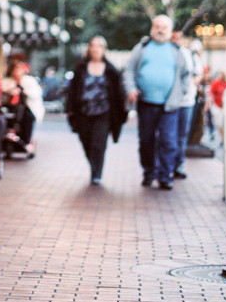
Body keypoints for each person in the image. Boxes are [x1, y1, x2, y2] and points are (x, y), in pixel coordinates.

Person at [124, 14, 191, 190]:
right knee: (146, 140)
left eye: (164, 27)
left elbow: (186, 76)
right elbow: (129, 69)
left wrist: (180, 92)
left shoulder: (176, 51)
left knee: (169, 141)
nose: (160, 30)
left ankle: (165, 175)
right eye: (157, 26)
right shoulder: (142, 48)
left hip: (170, 105)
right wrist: (131, 88)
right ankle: (149, 172)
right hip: (146, 102)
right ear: (152, 28)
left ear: (170, 31)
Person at [66, 35, 127, 185]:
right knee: (86, 141)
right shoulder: (80, 68)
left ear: (104, 50)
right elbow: (72, 90)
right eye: (92, 45)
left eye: (99, 46)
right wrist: (70, 109)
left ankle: (96, 173)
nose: (95, 49)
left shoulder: (111, 71)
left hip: (104, 112)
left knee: (98, 143)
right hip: (84, 112)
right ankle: (94, 166)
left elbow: (119, 93)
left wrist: (122, 112)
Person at [1, 56, 45, 155]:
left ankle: (27, 141)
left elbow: (36, 93)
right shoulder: (7, 81)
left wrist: (23, 91)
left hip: (25, 107)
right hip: (10, 107)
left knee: (27, 118)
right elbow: (1, 91)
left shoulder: (29, 81)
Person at [172, 33, 201, 179]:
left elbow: (198, 74)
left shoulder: (189, 55)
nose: (176, 40)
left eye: (178, 38)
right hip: (170, 101)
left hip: (187, 101)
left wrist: (192, 82)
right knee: (168, 135)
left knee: (182, 135)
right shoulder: (168, 52)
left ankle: (178, 165)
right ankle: (166, 165)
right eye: (173, 38)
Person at [206, 70, 226, 144]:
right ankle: (222, 138)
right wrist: (207, 105)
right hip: (217, 106)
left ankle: (225, 137)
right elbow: (210, 95)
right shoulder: (216, 83)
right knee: (219, 123)